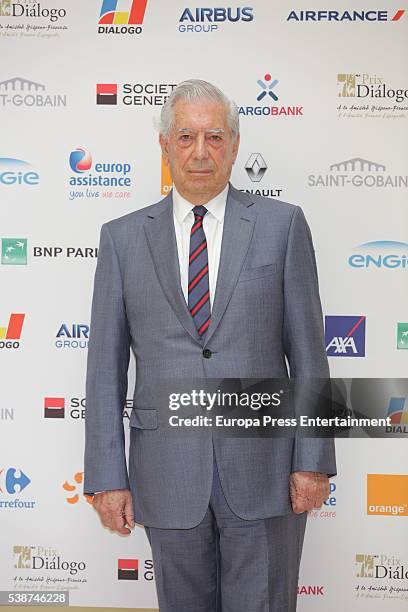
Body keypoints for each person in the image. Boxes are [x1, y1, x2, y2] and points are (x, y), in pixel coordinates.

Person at [84, 79, 336, 612]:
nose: (201, 152)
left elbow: (311, 357)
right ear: (164, 145)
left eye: (215, 137)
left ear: (235, 145)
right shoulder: (122, 239)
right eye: (186, 137)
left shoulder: (281, 226)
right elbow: (104, 371)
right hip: (167, 473)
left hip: (266, 473)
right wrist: (107, 476)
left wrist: (313, 461)